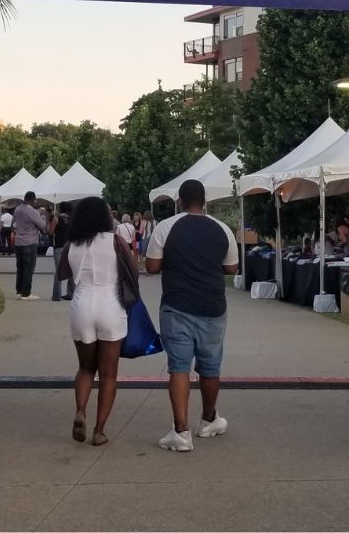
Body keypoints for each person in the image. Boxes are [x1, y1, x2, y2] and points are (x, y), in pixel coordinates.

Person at [146, 179, 238, 452]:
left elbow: (151, 266)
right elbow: (232, 267)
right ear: (205, 200)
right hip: (212, 307)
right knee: (211, 368)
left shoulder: (166, 227)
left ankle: (181, 431)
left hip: (176, 305)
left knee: (179, 367)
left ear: (180, 201)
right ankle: (209, 419)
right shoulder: (222, 229)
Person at [57, 196, 134, 447]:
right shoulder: (116, 241)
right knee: (109, 374)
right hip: (110, 305)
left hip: (82, 304)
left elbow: (62, 274)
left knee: (86, 367)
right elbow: (132, 271)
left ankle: (81, 411)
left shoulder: (73, 244)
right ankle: (99, 431)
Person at [14, 191, 49, 300]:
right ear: (33, 199)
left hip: (18, 241)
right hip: (30, 242)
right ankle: (27, 293)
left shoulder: (17, 209)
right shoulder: (32, 211)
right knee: (28, 268)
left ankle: (19, 291)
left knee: (20, 268)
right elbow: (43, 226)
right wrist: (43, 215)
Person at [50, 201, 74, 301]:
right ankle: (71, 293)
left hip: (59, 246)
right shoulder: (74, 219)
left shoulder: (56, 219)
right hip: (71, 246)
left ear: (60, 209)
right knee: (72, 269)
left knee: (59, 270)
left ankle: (57, 294)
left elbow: (50, 232)